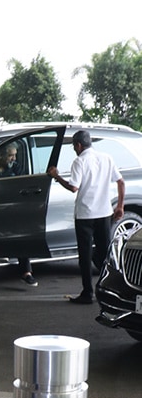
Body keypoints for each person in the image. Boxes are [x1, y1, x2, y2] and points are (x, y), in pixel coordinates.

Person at [48, 128, 125, 303]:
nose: (75, 150)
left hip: (85, 215)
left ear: (78, 145)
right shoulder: (107, 158)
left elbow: (74, 187)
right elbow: (120, 181)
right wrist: (120, 205)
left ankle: (87, 293)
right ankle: (111, 289)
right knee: (105, 253)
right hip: (105, 213)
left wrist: (56, 176)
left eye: (75, 147)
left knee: (85, 255)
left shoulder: (79, 161)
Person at [0, 143, 38, 286]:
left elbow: (23, 183)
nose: (14, 158)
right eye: (10, 155)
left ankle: (26, 272)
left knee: (20, 231)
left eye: (14, 155)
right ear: (0, 156)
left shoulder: (16, 167)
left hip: (11, 208)